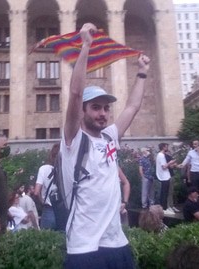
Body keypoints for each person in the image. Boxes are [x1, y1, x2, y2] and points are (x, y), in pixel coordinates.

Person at [60, 22, 149, 269]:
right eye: (96, 107)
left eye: (106, 108)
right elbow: (76, 94)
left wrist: (142, 72)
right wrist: (86, 45)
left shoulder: (110, 136)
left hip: (116, 241)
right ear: (82, 111)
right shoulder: (73, 139)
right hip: (84, 246)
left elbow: (132, 107)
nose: (103, 113)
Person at [179, 140, 199, 211]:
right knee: (194, 190)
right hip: (194, 172)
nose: (194, 145)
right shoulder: (191, 152)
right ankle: (195, 207)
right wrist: (181, 165)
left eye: (196, 144)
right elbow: (186, 160)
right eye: (193, 144)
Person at [34, 143, 60, 230]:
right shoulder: (68, 168)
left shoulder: (44, 169)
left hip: (49, 209)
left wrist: (43, 202)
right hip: (64, 211)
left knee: (46, 240)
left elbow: (36, 192)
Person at [156, 143, 176, 215]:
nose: (167, 148)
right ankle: (163, 208)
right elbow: (164, 167)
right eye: (166, 146)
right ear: (163, 147)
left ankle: (164, 208)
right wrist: (170, 162)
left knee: (165, 192)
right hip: (164, 176)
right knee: (164, 193)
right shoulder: (161, 155)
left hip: (165, 176)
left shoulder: (161, 155)